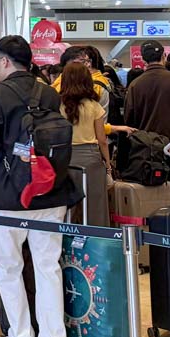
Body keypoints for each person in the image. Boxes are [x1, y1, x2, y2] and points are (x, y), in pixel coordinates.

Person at [0, 35, 80, 337]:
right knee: (48, 265)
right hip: (52, 190)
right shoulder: (48, 91)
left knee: (9, 266)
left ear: (6, 61)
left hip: (10, 194)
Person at [60, 62, 118, 227]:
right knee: (95, 206)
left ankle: (67, 238)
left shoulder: (58, 105)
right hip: (91, 159)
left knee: (68, 206)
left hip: (65, 159)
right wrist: (108, 164)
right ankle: (96, 238)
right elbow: (102, 140)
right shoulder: (94, 106)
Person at [124, 39, 170, 141]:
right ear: (164, 56)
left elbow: (129, 119)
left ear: (143, 60)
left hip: (146, 143)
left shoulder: (135, 85)